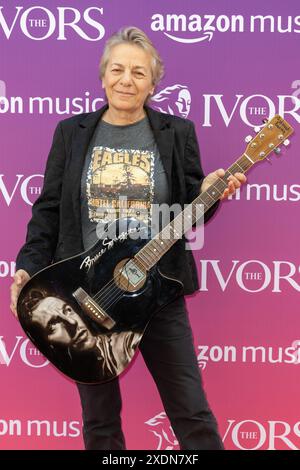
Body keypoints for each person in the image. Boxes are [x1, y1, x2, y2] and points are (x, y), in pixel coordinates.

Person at [10, 26, 246, 450]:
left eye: (139, 73)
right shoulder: (71, 132)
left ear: (154, 83)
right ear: (103, 77)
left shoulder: (177, 133)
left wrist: (211, 191)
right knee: (100, 423)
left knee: (191, 411)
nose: (126, 80)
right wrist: (26, 266)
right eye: (117, 69)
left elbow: (192, 212)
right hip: (83, 294)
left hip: (157, 292)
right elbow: (48, 210)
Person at [19, 288, 140, 382]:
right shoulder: (71, 372)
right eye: (53, 324)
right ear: (47, 345)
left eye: (68, 310)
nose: (72, 322)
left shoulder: (125, 344)